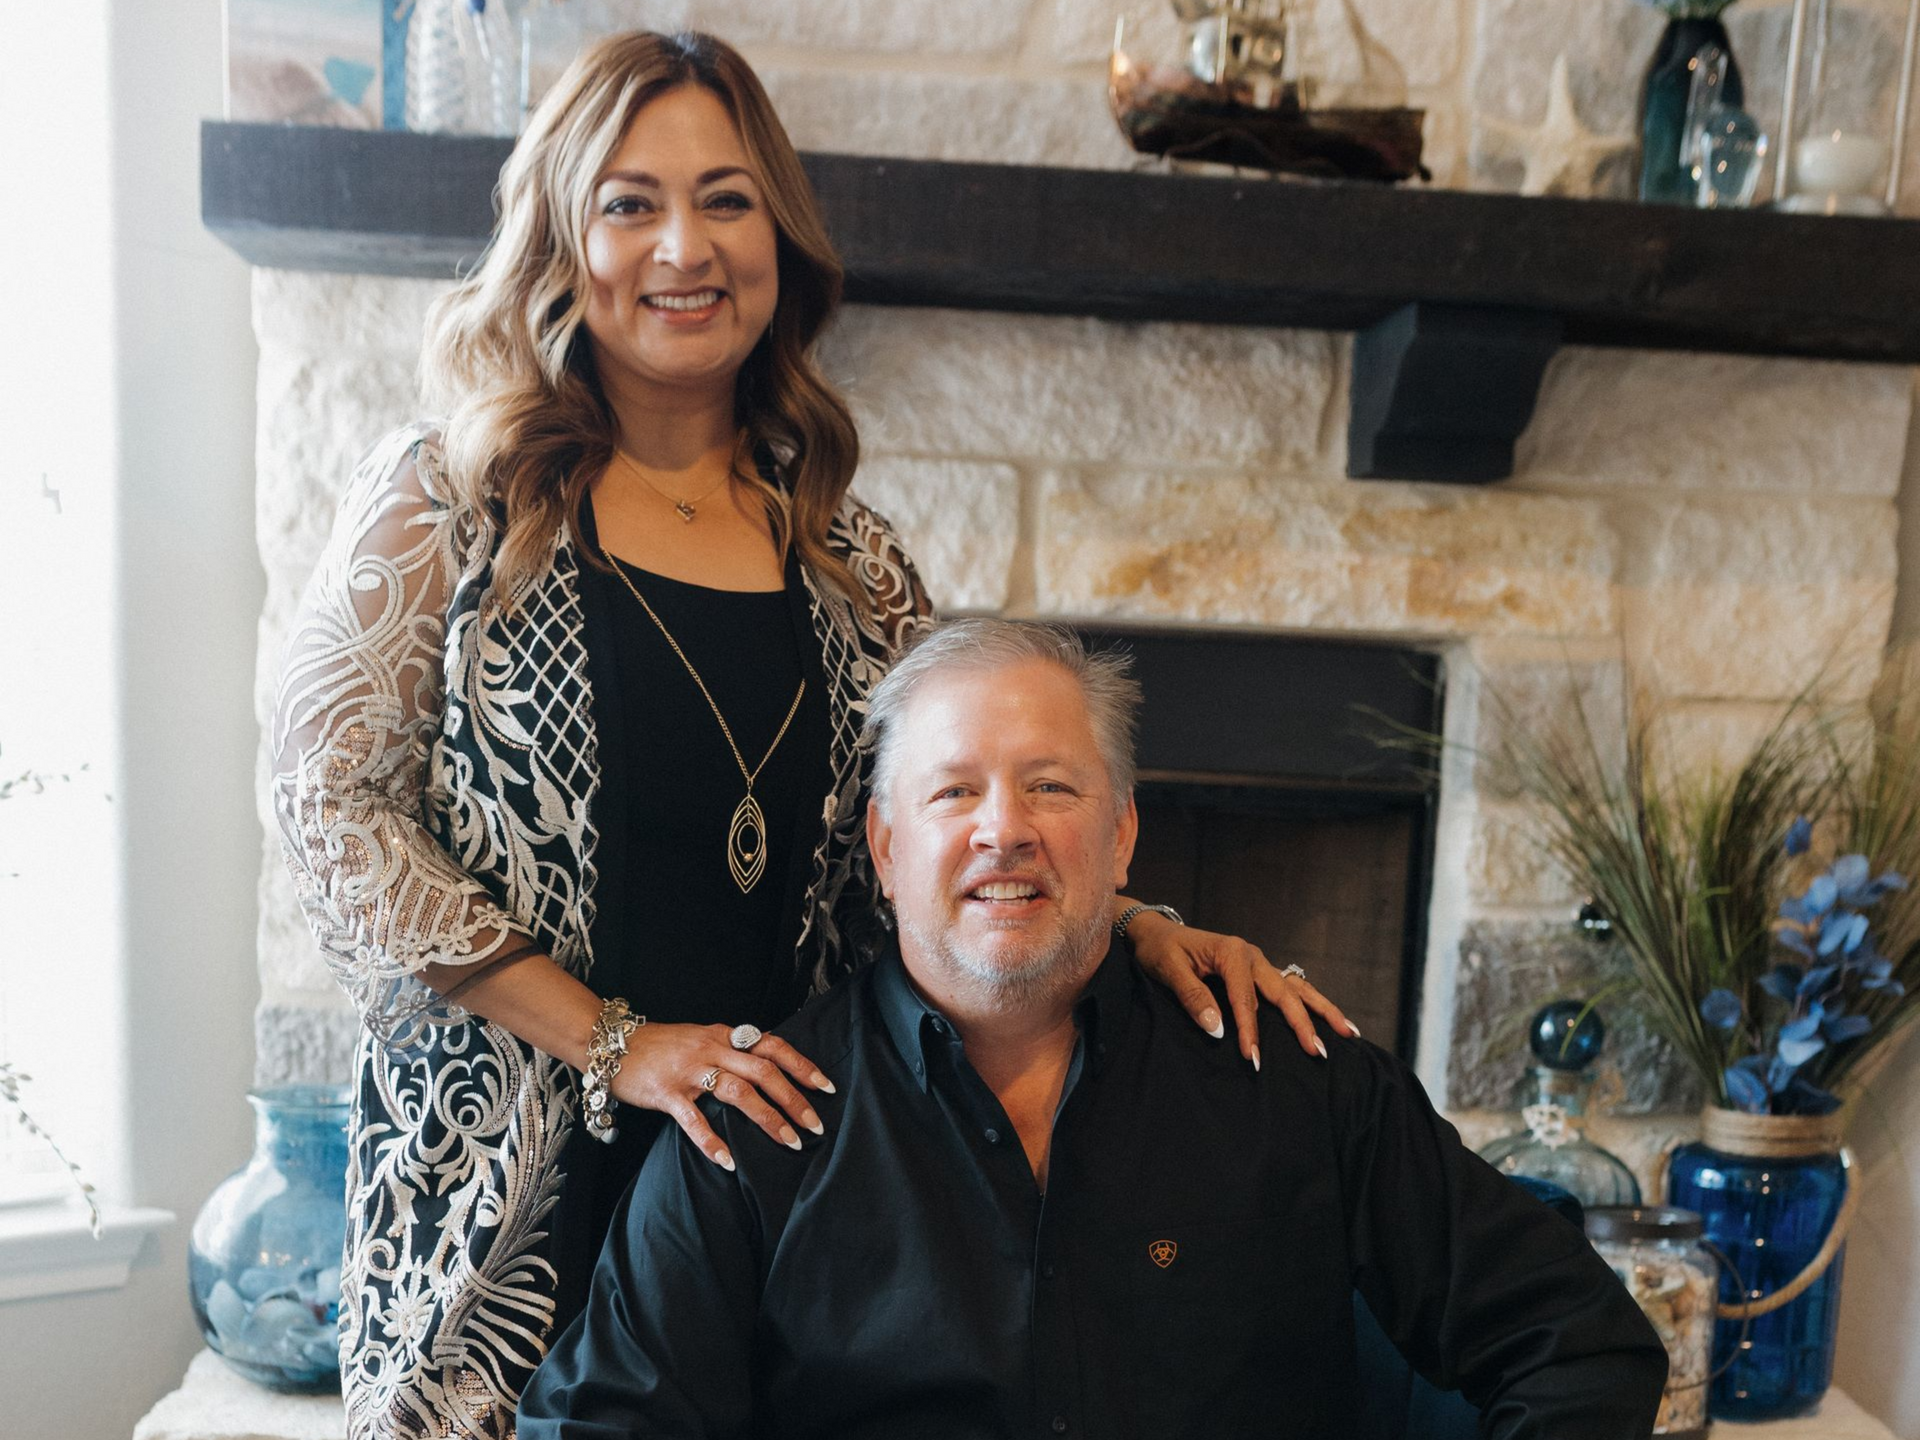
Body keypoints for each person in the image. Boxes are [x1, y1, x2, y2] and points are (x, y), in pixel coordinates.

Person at [269, 30, 1356, 1440]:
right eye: (630, 201)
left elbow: (943, 825)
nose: (685, 245)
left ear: (778, 233)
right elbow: (326, 807)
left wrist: (1132, 918)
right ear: (560, 233)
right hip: (507, 1201)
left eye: (728, 198)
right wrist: (616, 1043)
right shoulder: (451, 498)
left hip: (776, 1201)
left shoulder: (852, 561)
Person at [517, 618, 1669, 1440]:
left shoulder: (1299, 1080)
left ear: (1122, 839)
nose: (1003, 831)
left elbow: (1577, 1344)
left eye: (1052, 789)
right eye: (954, 791)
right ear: (882, 848)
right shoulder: (754, 1137)